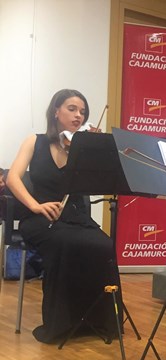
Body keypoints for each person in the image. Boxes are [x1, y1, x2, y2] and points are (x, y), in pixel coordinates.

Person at [7, 89, 121, 344]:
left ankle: (96, 321)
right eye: (72, 109)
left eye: (82, 111)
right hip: (39, 217)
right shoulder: (34, 141)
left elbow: (97, 185)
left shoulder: (81, 148)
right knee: (64, 243)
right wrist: (36, 206)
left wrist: (95, 152)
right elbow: (12, 177)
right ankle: (61, 324)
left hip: (73, 217)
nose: (78, 115)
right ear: (56, 111)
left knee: (104, 245)